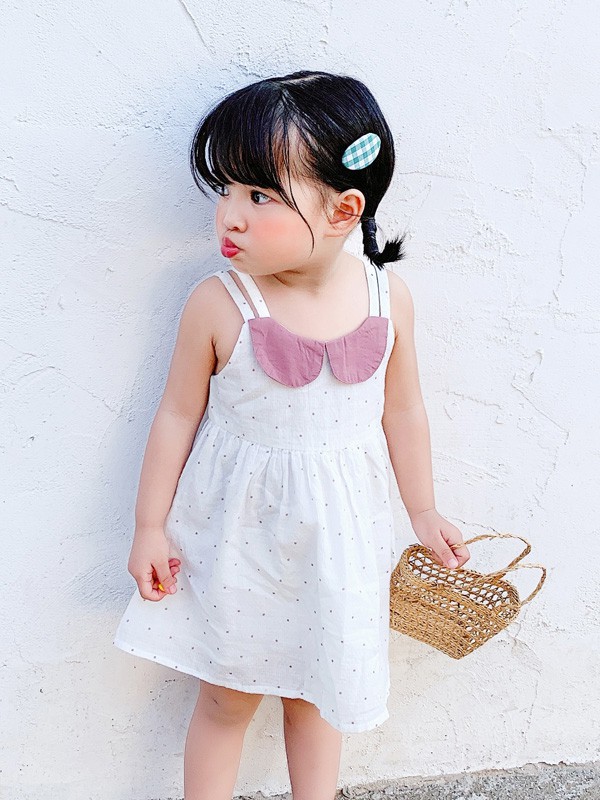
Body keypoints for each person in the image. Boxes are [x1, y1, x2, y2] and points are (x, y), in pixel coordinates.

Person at [113, 69, 471, 800]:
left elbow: (404, 410)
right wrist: (149, 526)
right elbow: (176, 415)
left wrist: (424, 509)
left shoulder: (387, 299)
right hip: (239, 543)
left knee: (319, 695)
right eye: (226, 190)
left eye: (259, 196)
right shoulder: (220, 304)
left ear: (343, 209)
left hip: (339, 544)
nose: (229, 217)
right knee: (226, 698)